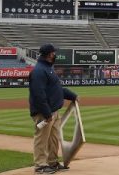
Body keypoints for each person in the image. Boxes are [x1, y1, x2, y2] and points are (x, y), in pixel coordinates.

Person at [29, 44, 78, 173]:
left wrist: (72, 96)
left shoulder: (48, 68)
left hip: (54, 111)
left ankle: (52, 162)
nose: (55, 54)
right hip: (44, 113)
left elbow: (56, 89)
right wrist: (46, 113)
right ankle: (40, 165)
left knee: (54, 139)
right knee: (41, 139)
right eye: (54, 52)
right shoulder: (39, 71)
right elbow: (38, 94)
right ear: (50, 54)